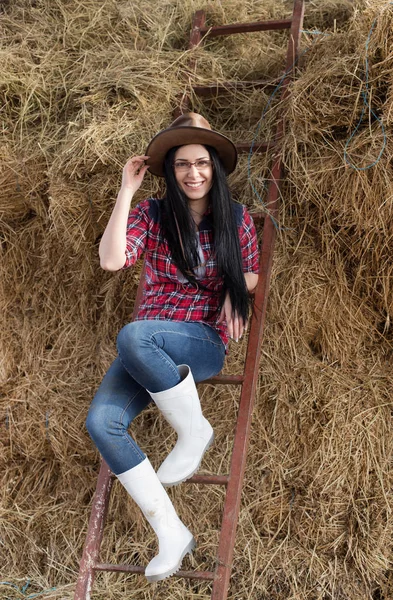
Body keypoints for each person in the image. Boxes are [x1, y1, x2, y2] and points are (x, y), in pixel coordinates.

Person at [86, 113, 259, 582]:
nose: (193, 173)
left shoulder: (236, 217)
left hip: (201, 340)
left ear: (215, 167)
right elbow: (112, 260)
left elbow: (251, 270)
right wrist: (126, 191)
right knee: (102, 422)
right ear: (170, 170)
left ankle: (193, 431)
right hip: (149, 343)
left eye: (202, 162)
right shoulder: (152, 214)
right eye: (182, 164)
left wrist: (235, 290)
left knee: (135, 334)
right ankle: (171, 532)